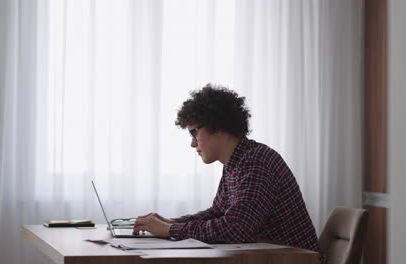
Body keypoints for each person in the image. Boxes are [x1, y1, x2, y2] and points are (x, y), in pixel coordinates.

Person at [133, 84, 327, 264]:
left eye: (194, 133)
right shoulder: (236, 163)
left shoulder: (256, 161)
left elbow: (236, 228)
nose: (192, 144)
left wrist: (170, 229)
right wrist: (172, 222)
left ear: (218, 128)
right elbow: (217, 212)